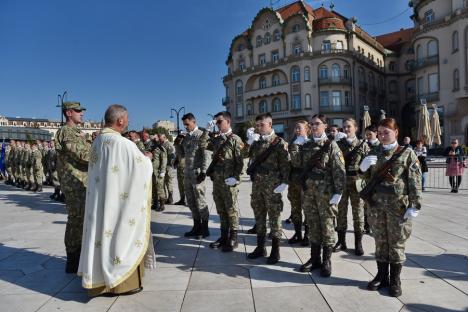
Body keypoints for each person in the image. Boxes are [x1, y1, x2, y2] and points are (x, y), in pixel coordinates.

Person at [78, 104, 155, 297]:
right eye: (127, 118)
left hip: (100, 201)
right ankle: (120, 283)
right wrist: (147, 158)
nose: (128, 121)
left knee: (100, 236)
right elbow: (140, 167)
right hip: (117, 203)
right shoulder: (122, 143)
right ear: (120, 120)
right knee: (120, 236)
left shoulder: (97, 142)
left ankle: (98, 283)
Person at [360, 118, 422, 297]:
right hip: (376, 206)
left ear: (396, 132)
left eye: (386, 132)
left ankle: (395, 280)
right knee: (380, 241)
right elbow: (364, 181)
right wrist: (362, 169)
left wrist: (415, 205)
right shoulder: (373, 151)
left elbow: (414, 181)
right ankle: (381, 276)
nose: (382, 136)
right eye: (379, 133)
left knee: (396, 243)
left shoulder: (407, 153)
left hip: (398, 207)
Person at [299, 114, 345, 277]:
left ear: (325, 126)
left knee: (327, 227)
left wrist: (338, 192)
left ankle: (326, 260)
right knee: (312, 225)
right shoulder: (306, 145)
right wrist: (294, 147)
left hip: (326, 194)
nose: (313, 126)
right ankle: (314, 258)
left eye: (317, 124)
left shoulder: (332, 146)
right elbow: (299, 166)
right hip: (310, 193)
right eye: (311, 124)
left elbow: (339, 170)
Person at [246, 113, 290, 264]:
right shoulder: (257, 141)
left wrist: (285, 182)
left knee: (274, 217)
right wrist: (250, 142)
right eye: (257, 125)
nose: (259, 128)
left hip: (273, 187)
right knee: (259, 215)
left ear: (270, 125)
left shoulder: (279, 142)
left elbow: (285, 164)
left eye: (262, 125)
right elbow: (249, 158)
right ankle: (260, 247)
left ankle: (275, 251)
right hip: (257, 185)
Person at [55, 101, 91, 273]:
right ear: (69, 113)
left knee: (82, 220)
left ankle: (79, 256)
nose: (81, 113)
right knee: (76, 220)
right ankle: (72, 259)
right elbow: (82, 155)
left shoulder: (77, 132)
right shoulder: (66, 132)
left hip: (82, 181)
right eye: (78, 111)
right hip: (73, 182)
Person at [206, 111, 244, 252]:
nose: (217, 124)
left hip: (229, 182)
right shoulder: (217, 139)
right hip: (217, 181)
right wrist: (208, 130)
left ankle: (233, 238)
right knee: (221, 210)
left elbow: (240, 163)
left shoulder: (236, 139)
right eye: (216, 122)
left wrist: (236, 177)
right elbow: (202, 144)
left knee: (231, 210)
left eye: (219, 121)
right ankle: (223, 236)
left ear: (228, 121)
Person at [335, 118, 370, 256]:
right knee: (340, 212)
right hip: (342, 181)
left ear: (355, 128)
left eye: (349, 126)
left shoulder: (363, 145)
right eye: (344, 127)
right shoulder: (338, 144)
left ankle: (358, 243)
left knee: (358, 213)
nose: (346, 129)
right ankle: (341, 241)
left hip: (358, 181)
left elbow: (370, 168)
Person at [181, 113, 210, 239]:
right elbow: (183, 155)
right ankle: (196, 226)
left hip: (198, 174)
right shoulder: (186, 137)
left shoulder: (201, 136)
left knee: (200, 201)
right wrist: (177, 144)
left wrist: (204, 171)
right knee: (191, 202)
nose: (186, 127)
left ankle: (205, 228)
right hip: (188, 174)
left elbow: (206, 154)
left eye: (187, 124)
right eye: (184, 125)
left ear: (194, 122)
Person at [287, 120, 311, 246]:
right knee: (295, 207)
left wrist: (295, 147)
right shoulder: (292, 143)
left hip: (305, 180)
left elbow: (298, 162)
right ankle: (297, 233)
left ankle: (307, 235)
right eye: (296, 128)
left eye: (299, 128)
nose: (297, 130)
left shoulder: (310, 144)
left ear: (307, 129)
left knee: (307, 207)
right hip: (293, 180)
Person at [364, 124, 380, 233]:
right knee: (366, 205)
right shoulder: (364, 145)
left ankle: (376, 225)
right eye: (366, 134)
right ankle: (367, 225)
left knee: (376, 205)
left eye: (370, 134)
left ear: (376, 134)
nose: (368, 136)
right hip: (366, 179)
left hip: (377, 180)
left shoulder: (381, 146)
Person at [151, 134, 167, 211]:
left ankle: (162, 205)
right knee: (154, 188)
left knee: (160, 188)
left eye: (156, 139)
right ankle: (155, 203)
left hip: (158, 171)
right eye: (153, 139)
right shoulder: (152, 148)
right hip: (152, 171)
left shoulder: (161, 148)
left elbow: (164, 160)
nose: (154, 140)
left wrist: (163, 171)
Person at [159, 133, 176, 204]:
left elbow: (172, 155)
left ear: (164, 137)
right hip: (164, 166)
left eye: (161, 138)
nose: (160, 140)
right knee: (164, 183)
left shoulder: (168, 144)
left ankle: (170, 198)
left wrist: (170, 164)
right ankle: (165, 198)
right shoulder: (162, 144)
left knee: (169, 182)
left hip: (168, 166)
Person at [173, 133, 186, 205]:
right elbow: (178, 154)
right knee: (180, 184)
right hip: (179, 166)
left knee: (185, 184)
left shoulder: (184, 144)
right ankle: (182, 199)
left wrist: (183, 139)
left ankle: (187, 200)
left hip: (184, 165)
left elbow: (185, 152)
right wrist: (175, 161)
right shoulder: (177, 144)